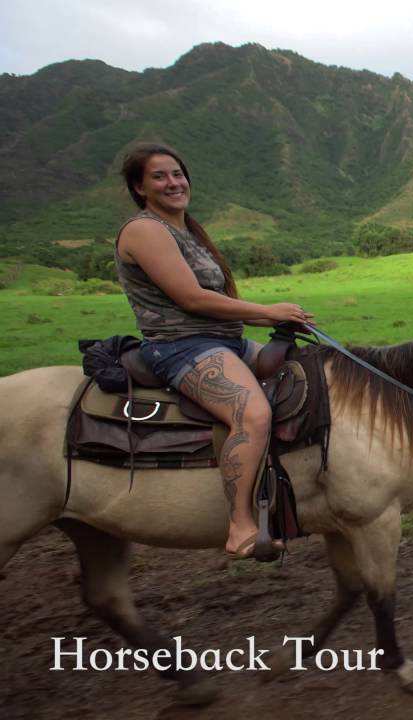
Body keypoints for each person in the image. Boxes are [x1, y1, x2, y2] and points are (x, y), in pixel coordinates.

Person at [114, 142, 314, 559]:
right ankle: (240, 524)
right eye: (159, 176)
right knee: (253, 412)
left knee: (308, 374)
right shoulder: (144, 231)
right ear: (139, 187)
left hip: (225, 342)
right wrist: (266, 312)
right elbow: (191, 299)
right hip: (180, 347)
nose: (173, 182)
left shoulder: (188, 230)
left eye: (177, 173)